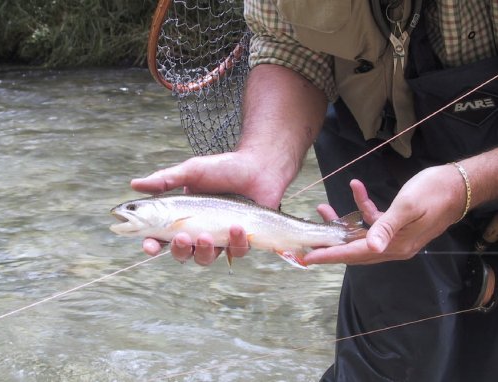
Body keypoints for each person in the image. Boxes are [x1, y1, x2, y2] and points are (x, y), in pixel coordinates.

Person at [132, 0, 498, 380]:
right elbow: (286, 44)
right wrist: (263, 158)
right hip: (371, 134)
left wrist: (465, 186)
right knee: (394, 356)